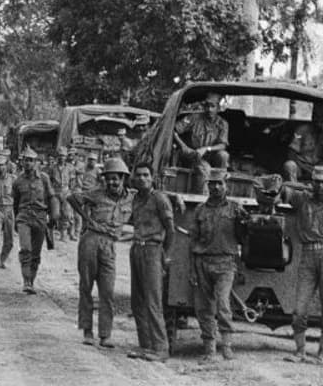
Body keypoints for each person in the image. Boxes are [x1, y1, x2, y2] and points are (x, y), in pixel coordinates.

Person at [68, 157, 134, 348]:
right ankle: (87, 331)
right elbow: (72, 198)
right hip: (91, 241)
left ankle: (105, 334)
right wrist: (85, 218)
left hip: (110, 245)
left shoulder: (132, 197)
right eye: (109, 178)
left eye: (116, 179)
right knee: (86, 287)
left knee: (107, 291)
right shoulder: (96, 194)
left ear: (123, 179)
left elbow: (153, 195)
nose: (112, 182)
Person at [283, 165, 323, 364]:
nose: (320, 186)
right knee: (300, 308)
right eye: (317, 182)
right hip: (307, 255)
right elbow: (282, 191)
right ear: (312, 182)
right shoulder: (302, 199)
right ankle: (300, 351)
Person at [190, 170, 249, 362]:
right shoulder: (200, 210)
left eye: (219, 183)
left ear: (226, 186)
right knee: (204, 308)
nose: (215, 187)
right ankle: (209, 348)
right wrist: (192, 269)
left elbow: (243, 238)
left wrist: (243, 222)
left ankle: (227, 346)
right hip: (203, 262)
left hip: (225, 263)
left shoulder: (235, 209)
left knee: (223, 304)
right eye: (212, 183)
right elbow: (193, 241)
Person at [126, 163, 174, 362]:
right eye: (138, 175)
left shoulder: (159, 199)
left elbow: (170, 229)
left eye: (146, 175)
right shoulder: (136, 198)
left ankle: (161, 348)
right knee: (137, 301)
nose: (142, 178)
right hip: (137, 248)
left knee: (153, 300)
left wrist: (166, 255)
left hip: (153, 250)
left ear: (152, 178)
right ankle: (145, 345)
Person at [12, 147, 59, 294]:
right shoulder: (18, 181)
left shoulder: (44, 179)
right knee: (25, 249)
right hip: (24, 217)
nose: (28, 163)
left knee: (36, 253)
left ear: (36, 162)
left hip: (40, 218)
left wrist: (54, 215)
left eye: (31, 160)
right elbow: (16, 203)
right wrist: (16, 221)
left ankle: (31, 281)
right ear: (22, 162)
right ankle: (26, 281)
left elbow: (51, 197)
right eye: (26, 160)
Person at [285, 102, 323, 184]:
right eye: (317, 117)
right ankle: (293, 187)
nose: (319, 121)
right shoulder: (301, 130)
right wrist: (303, 167)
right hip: (302, 165)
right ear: (312, 117)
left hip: (320, 166)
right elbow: (291, 152)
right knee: (289, 164)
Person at [174, 92, 230, 181]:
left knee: (223, 155)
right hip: (193, 155)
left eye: (213, 106)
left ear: (218, 108)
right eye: (207, 106)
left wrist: (207, 149)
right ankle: (204, 188)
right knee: (205, 167)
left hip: (210, 155)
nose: (209, 109)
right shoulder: (194, 118)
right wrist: (183, 146)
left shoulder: (222, 123)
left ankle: (219, 182)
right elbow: (174, 130)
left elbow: (223, 145)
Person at [51, 154, 76, 242]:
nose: (61, 158)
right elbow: (49, 180)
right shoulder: (52, 168)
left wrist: (71, 191)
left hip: (66, 192)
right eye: (60, 156)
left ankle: (63, 234)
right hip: (55, 192)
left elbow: (72, 181)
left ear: (66, 157)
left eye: (63, 156)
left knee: (66, 214)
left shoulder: (70, 168)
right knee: (55, 214)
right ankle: (55, 230)